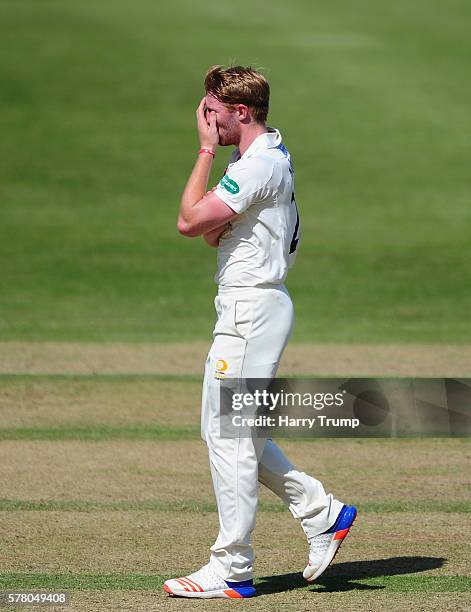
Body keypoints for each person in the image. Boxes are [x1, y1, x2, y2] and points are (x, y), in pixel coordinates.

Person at [163, 66, 356, 599]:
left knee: (229, 436)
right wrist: (214, 189)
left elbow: (189, 222)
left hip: (251, 312)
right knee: (233, 430)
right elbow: (208, 234)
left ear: (240, 112)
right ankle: (323, 513)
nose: (205, 121)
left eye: (212, 112)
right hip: (249, 308)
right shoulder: (256, 158)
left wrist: (203, 152)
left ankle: (232, 568)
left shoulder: (256, 165)